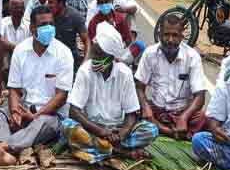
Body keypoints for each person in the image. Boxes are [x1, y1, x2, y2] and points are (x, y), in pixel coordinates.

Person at [0, 5, 73, 166]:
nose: (49, 29)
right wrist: (15, 111)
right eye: (44, 25)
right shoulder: (21, 50)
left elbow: (61, 96)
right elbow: (14, 89)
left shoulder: (64, 53)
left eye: (51, 24)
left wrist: (35, 116)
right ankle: (2, 153)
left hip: (50, 113)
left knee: (43, 123)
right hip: (25, 107)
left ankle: (1, 146)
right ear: (32, 28)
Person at [62, 22, 159, 162]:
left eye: (99, 55)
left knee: (151, 130)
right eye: (93, 54)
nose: (93, 59)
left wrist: (122, 134)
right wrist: (102, 132)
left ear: (111, 57)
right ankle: (119, 151)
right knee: (68, 127)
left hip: (117, 130)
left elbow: (131, 113)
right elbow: (74, 111)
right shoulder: (85, 71)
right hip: (92, 128)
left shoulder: (124, 73)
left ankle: (104, 149)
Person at [135, 15, 208, 140]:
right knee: (134, 111)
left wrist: (184, 117)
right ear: (159, 35)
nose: (170, 40)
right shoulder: (150, 54)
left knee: (204, 118)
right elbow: (139, 87)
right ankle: (172, 132)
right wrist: (146, 107)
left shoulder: (192, 56)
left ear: (181, 36)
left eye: (175, 35)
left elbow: (200, 96)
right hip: (156, 111)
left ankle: (163, 129)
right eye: (166, 35)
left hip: (182, 112)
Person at [47, 0, 90, 74]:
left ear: (61, 3)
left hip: (70, 64)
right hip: (49, 62)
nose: (48, 5)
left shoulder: (74, 16)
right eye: (48, 2)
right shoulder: (45, 15)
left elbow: (87, 40)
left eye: (51, 3)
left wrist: (84, 64)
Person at [1, 0, 30, 73]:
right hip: (5, 67)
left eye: (21, 8)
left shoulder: (28, 26)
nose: (18, 10)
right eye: (15, 8)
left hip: (24, 67)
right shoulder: (2, 22)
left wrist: (13, 49)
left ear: (24, 10)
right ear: (10, 10)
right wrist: (17, 49)